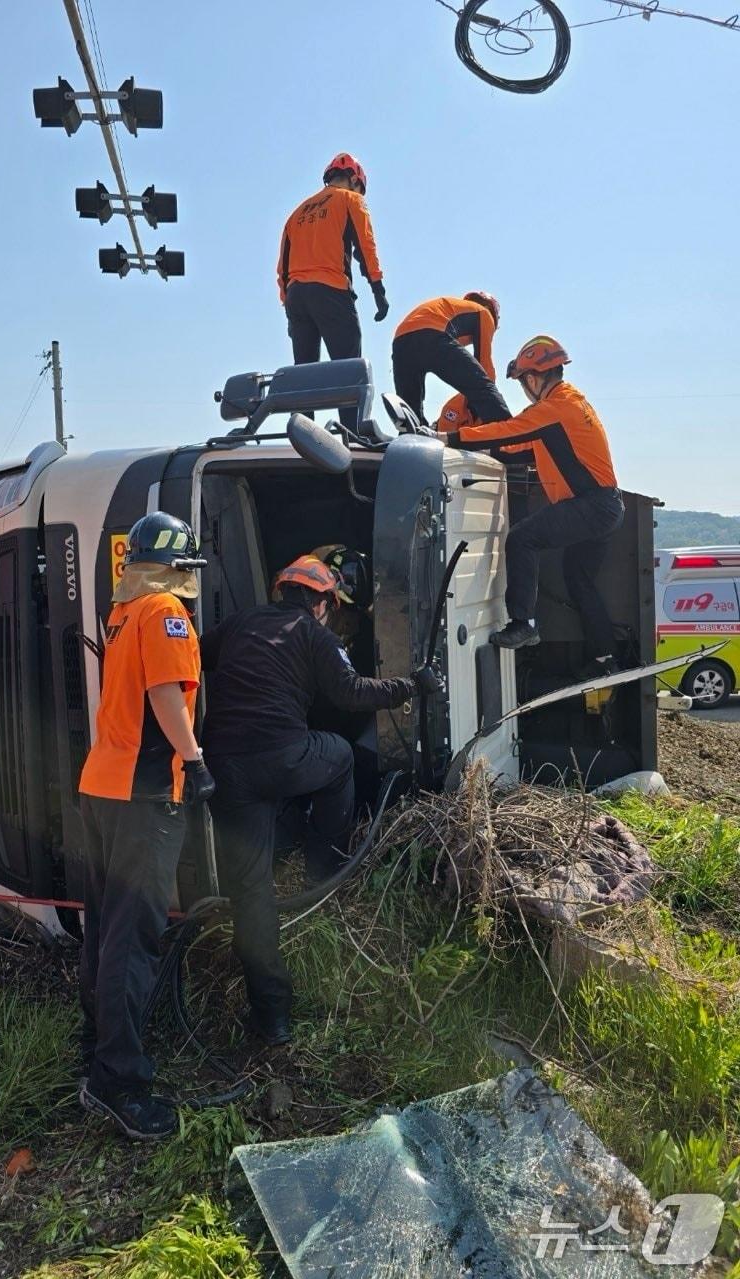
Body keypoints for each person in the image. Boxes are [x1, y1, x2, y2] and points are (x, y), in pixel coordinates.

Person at [201, 556, 416, 1047]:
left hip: (226, 769)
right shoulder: (315, 635)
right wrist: (410, 687)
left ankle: (271, 1019)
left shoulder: (240, 623)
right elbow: (352, 693)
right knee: (339, 756)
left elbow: (196, 657)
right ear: (321, 602)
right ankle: (327, 868)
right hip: (284, 758)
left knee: (250, 893)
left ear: (282, 590)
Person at [77, 512, 216, 1141]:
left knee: (105, 933)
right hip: (145, 796)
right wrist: (196, 760)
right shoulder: (164, 612)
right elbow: (166, 694)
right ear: (179, 566)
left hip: (102, 790)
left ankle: (99, 1053)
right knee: (134, 941)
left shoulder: (124, 613)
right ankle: (121, 1084)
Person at [443, 335, 624, 673]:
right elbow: (517, 444)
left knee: (523, 538)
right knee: (578, 578)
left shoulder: (555, 409)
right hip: (607, 507)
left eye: (523, 381)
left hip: (592, 506)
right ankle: (605, 656)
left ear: (534, 377)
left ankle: (523, 623)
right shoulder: (567, 404)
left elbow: (511, 431)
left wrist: (448, 439)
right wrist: (484, 448)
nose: (525, 388)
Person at [277, 153, 387, 433]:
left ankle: (304, 437)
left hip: (296, 296)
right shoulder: (350, 200)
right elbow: (366, 247)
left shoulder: (296, 213)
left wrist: (288, 302)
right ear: (354, 180)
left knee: (304, 374)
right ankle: (353, 436)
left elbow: (282, 267)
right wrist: (378, 289)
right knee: (348, 367)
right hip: (330, 290)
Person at [391, 292, 510, 427]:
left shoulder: (454, 309)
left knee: (410, 412)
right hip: (432, 334)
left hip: (400, 340)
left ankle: (410, 439)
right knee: (483, 389)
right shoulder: (484, 313)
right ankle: (512, 440)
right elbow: (484, 366)